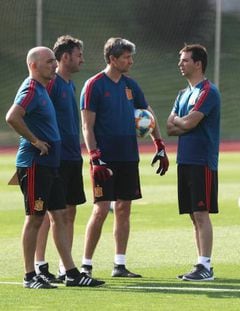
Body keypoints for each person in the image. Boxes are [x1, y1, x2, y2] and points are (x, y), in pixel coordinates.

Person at [5, 46, 104, 289]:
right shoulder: (30, 89)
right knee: (35, 218)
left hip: (51, 166)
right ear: (34, 66)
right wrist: (35, 140)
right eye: (49, 62)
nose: (53, 65)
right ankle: (30, 276)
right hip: (36, 164)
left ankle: (71, 272)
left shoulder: (42, 89)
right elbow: (12, 116)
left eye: (53, 61)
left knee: (59, 216)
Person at [79, 37, 169, 278]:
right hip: (104, 159)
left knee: (124, 208)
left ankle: (119, 264)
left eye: (131, 56)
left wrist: (159, 144)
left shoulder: (131, 85)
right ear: (112, 59)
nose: (131, 61)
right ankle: (85, 265)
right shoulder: (94, 85)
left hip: (129, 156)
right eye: (126, 57)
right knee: (100, 209)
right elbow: (87, 126)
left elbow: (148, 114)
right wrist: (95, 156)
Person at [34, 35, 87, 283]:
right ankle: (40, 264)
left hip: (73, 156)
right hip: (56, 157)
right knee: (49, 213)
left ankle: (66, 268)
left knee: (69, 212)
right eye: (78, 55)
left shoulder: (70, 85)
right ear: (65, 57)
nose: (82, 60)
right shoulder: (52, 84)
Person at [167, 44, 221, 281]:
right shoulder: (182, 94)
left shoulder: (208, 92)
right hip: (185, 160)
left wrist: (182, 121)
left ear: (198, 64)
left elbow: (186, 124)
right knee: (192, 214)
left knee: (201, 213)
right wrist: (184, 121)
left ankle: (206, 266)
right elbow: (170, 127)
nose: (180, 64)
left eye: (185, 60)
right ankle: (200, 264)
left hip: (202, 161)